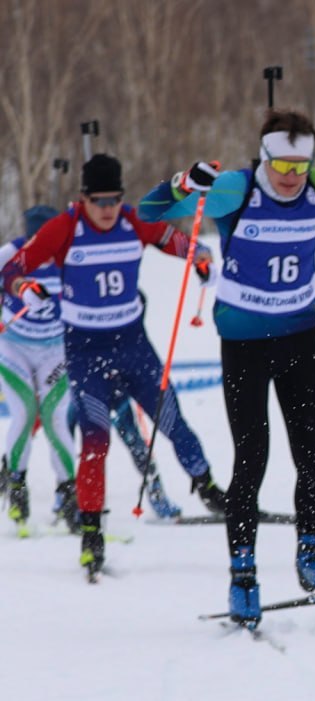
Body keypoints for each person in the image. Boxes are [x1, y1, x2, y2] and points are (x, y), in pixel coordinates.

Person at [139, 108, 315, 626]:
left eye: (300, 166)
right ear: (264, 157)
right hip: (244, 344)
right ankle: (243, 574)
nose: (291, 177)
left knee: (311, 453)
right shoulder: (235, 189)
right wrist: (182, 184)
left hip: (299, 337)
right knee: (252, 458)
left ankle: (311, 556)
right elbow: (150, 211)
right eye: (282, 166)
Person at [2, 155, 227, 578]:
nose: (107, 209)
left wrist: (199, 258)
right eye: (99, 201)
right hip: (85, 351)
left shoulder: (132, 221)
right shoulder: (63, 228)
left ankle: (207, 485)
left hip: (133, 345)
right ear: (83, 198)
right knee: (95, 441)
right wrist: (23, 285)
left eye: (114, 199)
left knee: (171, 417)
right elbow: (12, 268)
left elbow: (176, 241)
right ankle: (91, 533)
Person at [0, 205, 77, 534]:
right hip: (13, 348)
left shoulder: (70, 256)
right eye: (36, 241)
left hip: (55, 351)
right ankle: (17, 487)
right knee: (24, 413)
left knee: (55, 417)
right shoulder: (11, 254)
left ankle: (70, 494)